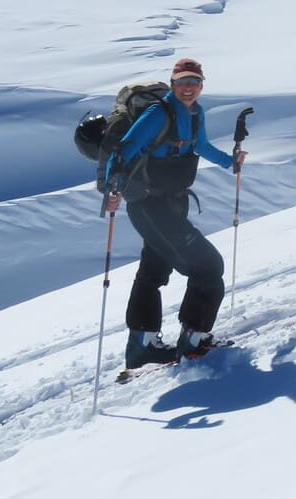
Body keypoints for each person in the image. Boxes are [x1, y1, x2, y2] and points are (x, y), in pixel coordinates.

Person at [102, 57, 246, 369]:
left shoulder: (196, 114)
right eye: (183, 82)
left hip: (172, 203)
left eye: (194, 82)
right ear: (172, 84)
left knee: (154, 270)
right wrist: (110, 190)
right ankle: (194, 340)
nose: (188, 88)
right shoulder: (158, 113)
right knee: (208, 266)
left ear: (201, 85)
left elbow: (202, 146)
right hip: (149, 206)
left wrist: (229, 162)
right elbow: (124, 149)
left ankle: (143, 344)